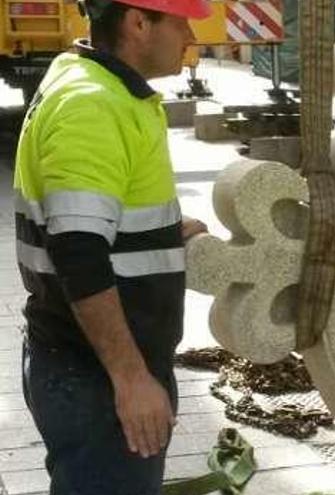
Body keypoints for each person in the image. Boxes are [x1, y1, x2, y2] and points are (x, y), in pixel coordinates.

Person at [12, 1, 210, 493]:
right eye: (181, 21)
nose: (190, 35)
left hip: (82, 365)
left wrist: (165, 232)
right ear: (139, 22)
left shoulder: (92, 82)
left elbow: (90, 218)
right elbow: (78, 251)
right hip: (98, 378)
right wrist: (131, 380)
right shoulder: (93, 104)